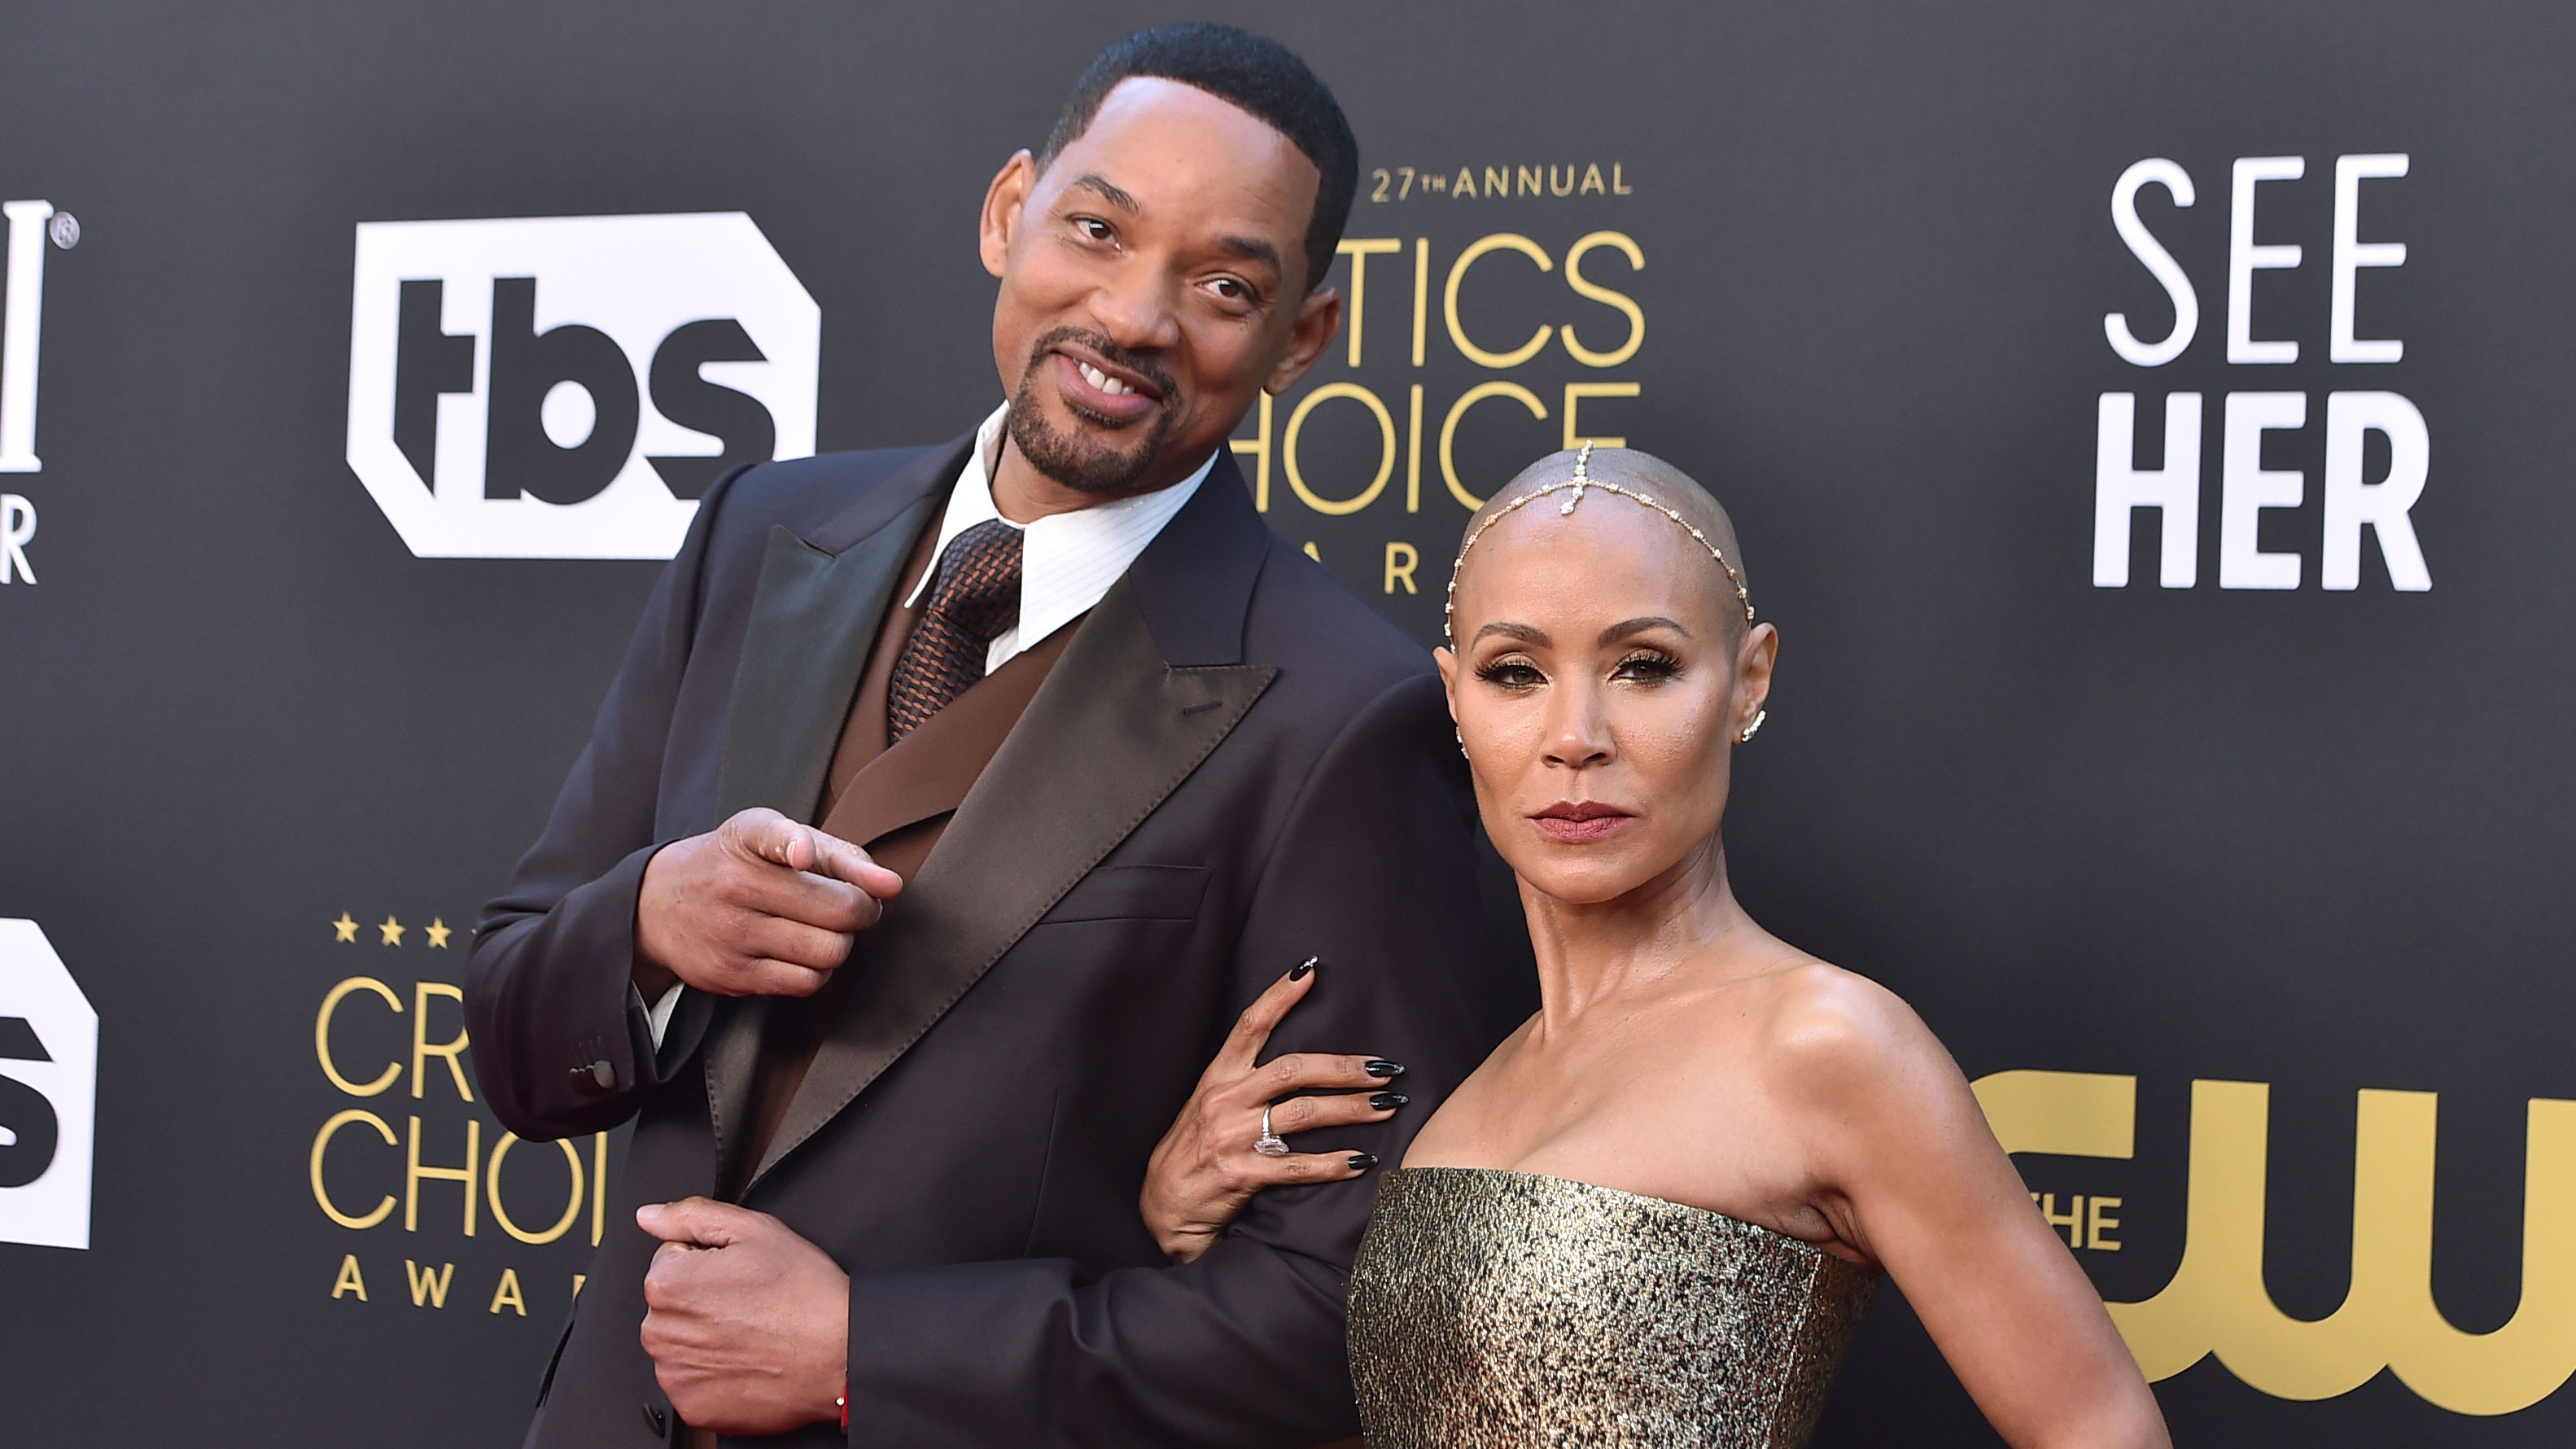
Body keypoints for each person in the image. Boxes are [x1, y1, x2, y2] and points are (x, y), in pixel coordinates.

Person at [463, 25, 1494, 1448]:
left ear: (1300, 338)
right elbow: (512, 1039)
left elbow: (1351, 1318)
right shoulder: (759, 535)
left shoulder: (1345, 713)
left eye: (1224, 283)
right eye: (1097, 230)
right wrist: (645, 924)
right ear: (1012, 212)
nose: (1136, 316)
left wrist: (866, 1354)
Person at [1139, 445, 2175, 1447]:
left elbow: (2100, 1429)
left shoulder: (1829, 1046)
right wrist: (1187, 1242)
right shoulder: (1466, 1098)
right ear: (1455, 698)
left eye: (1643, 666)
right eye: (1514, 673)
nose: (1575, 734)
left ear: (1748, 680)